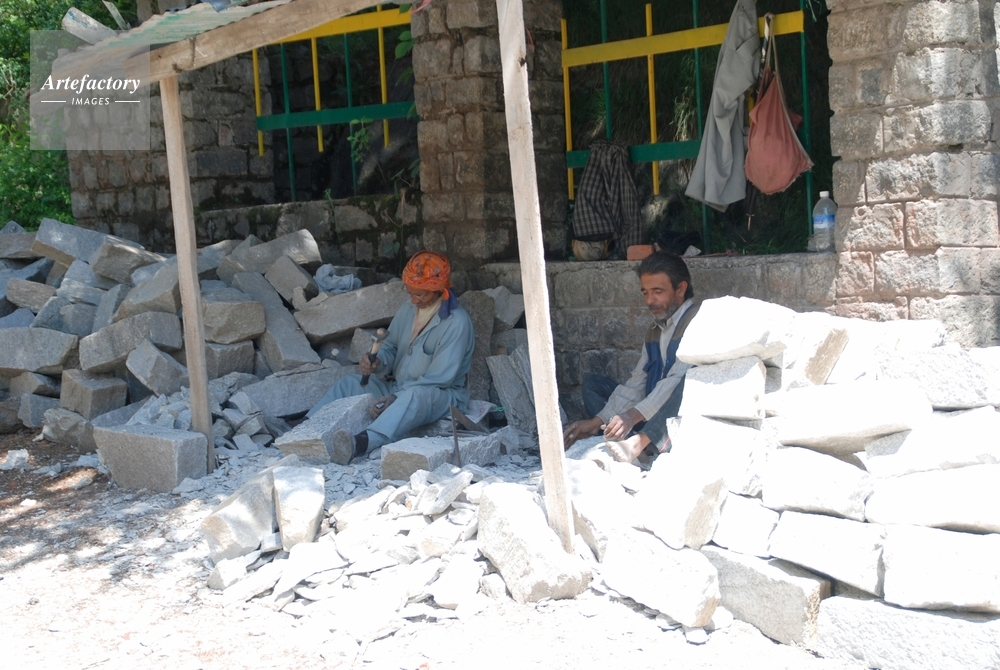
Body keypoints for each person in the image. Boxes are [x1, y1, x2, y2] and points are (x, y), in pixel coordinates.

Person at [308, 251, 475, 465]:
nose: (414, 300)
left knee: (414, 397)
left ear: (439, 289)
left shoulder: (456, 323)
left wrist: (395, 398)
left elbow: (439, 378)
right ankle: (305, 428)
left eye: (421, 295)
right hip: (398, 387)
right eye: (410, 293)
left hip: (439, 395)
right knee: (348, 384)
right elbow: (391, 346)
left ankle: (360, 443)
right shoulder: (409, 308)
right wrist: (378, 362)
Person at [562, 250, 699, 463]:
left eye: (658, 291)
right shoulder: (655, 330)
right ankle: (623, 436)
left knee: (686, 382)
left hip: (676, 416)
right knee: (593, 386)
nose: (650, 300)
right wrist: (596, 422)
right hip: (648, 411)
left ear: (680, 288)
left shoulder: (696, 322)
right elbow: (637, 383)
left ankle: (643, 443)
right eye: (645, 292)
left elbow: (673, 383)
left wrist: (632, 416)